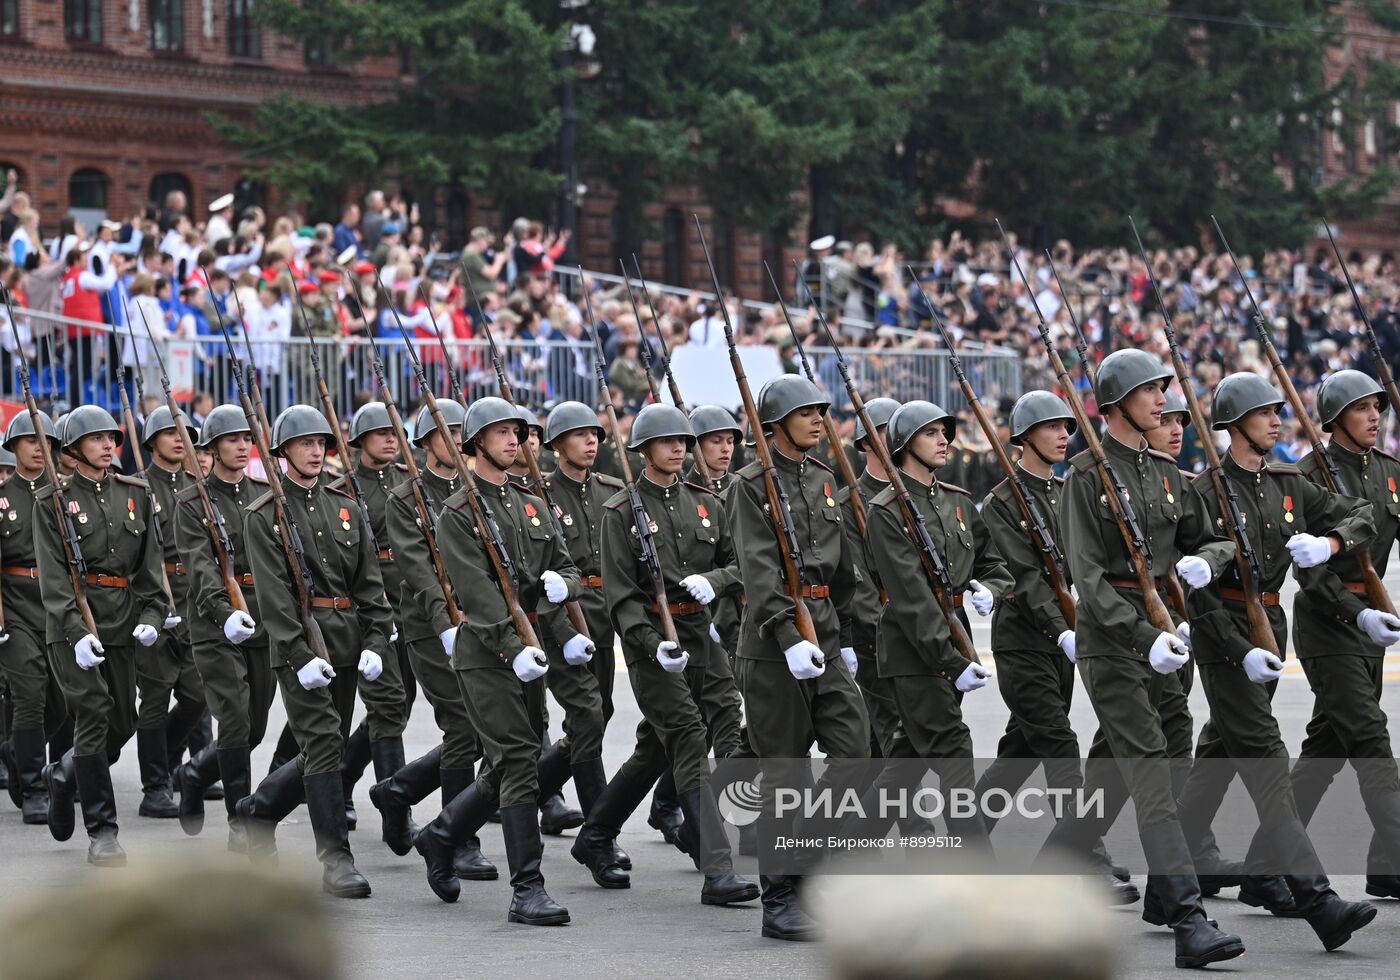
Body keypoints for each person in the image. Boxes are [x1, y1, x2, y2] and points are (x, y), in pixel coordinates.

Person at [1041, 349, 1245, 969]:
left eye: (1163, 389)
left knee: (1119, 772)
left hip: (1166, 635)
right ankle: (1188, 918)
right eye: (1151, 390)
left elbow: (1213, 534)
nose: (1163, 400)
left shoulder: (1163, 472)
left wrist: (1202, 562)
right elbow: (1087, 578)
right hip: (1115, 643)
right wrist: (1140, 637)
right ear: (1116, 403)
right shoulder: (1083, 476)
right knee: (1152, 774)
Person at [1169, 373, 1378, 950]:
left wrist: (1331, 544)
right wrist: (1241, 651)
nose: (1277, 421)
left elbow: (1360, 512)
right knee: (1265, 757)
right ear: (1236, 424)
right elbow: (1200, 591)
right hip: (1224, 635)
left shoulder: (1286, 482)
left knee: (1218, 750)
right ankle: (1319, 901)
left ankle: (1169, 883)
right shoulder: (1205, 490)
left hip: (1270, 625)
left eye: (1277, 412)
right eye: (1264, 413)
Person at [570, 404, 758, 907]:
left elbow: (739, 563)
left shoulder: (707, 503)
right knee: (689, 739)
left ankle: (594, 836)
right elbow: (620, 597)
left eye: (683, 441)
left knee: (671, 743)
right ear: (644, 449)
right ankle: (717, 870)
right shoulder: (620, 512)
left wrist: (715, 582)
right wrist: (653, 646)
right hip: (651, 640)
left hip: (701, 633)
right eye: (668, 442)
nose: (679, 448)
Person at [412, 397, 583, 926]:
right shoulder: (457, 512)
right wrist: (514, 649)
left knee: (516, 760)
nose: (515, 440)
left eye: (518, 432)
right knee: (517, 759)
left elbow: (569, 565)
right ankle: (526, 889)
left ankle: (441, 835)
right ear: (477, 442)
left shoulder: (530, 502)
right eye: (503, 432)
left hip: (530, 644)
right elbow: (477, 595)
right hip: (487, 655)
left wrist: (565, 586)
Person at [970, 392, 1137, 902]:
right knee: (1060, 745)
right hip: (1024, 642)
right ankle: (1085, 857)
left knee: (1020, 752)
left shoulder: (1066, 491)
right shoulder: (1001, 502)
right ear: (1024, 437)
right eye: (1051, 427)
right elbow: (1023, 578)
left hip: (1064, 639)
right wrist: (1061, 627)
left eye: (1067, 426)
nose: (1064, 434)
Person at [730, 375, 871, 941]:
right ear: (776, 425)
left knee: (856, 753)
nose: (819, 420)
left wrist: (846, 637)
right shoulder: (748, 485)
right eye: (807, 412)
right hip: (772, 648)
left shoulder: (822, 478)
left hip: (827, 635)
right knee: (784, 773)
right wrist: (789, 639)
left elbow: (841, 569)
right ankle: (780, 898)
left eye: (822, 411)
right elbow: (759, 572)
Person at [236, 406, 392, 898]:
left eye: (321, 442)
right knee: (324, 742)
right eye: (304, 443)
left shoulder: (345, 505)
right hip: (298, 646)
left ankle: (258, 811)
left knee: (326, 746)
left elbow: (369, 583)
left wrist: (375, 638)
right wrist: (299, 656)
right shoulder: (264, 515)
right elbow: (274, 596)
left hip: (346, 641)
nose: (315, 450)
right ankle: (336, 858)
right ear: (282, 452)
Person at [865, 401, 1011, 848]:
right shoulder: (886, 510)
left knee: (903, 768)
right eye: (931, 433)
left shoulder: (957, 503)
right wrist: (951, 661)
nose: (944, 439)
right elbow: (910, 600)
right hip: (914, 651)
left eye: (944, 431)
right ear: (906, 444)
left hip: (952, 639)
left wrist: (989, 588)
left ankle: (822, 863)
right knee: (952, 752)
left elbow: (994, 561)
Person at [1287, 370, 1400, 900]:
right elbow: (1309, 572)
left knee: (1327, 747)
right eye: (1362, 408)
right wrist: (1357, 614)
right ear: (1335, 420)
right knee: (1370, 739)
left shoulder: (1389, 473)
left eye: (1379, 406)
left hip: (1370, 621)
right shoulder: (1307, 474)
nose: (1375, 416)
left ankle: (1271, 859)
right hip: (1329, 621)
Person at [37, 406, 166, 867]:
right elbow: (53, 582)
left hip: (120, 622)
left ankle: (66, 772)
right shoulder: (51, 500)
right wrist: (74, 632)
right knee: (92, 716)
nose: (109, 445)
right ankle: (103, 830)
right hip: (72, 626)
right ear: (73, 449)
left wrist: (154, 613)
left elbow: (150, 571)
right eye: (97, 439)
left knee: (123, 723)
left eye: (112, 437)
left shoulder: (135, 494)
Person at [374, 399, 496, 881]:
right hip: (430, 626)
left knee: (484, 728)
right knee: (463, 726)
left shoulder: (476, 492)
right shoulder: (405, 498)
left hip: (480, 623)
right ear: (425, 442)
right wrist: (444, 619)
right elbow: (415, 566)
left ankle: (399, 790)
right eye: (445, 434)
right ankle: (458, 838)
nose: (455, 442)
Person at [171, 405, 273, 851]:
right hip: (216, 624)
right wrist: (222, 612)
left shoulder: (266, 495)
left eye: (245, 437)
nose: (241, 445)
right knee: (233, 721)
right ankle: (240, 820)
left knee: (255, 727)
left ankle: (194, 774)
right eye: (231, 439)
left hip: (263, 617)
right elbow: (199, 566)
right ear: (211, 448)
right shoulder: (191, 503)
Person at [131, 407, 206, 822]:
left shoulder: (198, 487)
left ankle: (171, 752)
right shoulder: (139, 488)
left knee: (198, 696)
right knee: (155, 700)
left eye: (186, 434)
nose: (181, 440)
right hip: (155, 602)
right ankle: (155, 787)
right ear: (151, 441)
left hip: (193, 599)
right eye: (170, 433)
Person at [0, 412, 66, 825]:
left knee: (61, 703)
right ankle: (34, 785)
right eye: (30, 442)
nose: (40, 450)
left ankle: (14, 748)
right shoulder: (4, 497)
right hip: (16, 605)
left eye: (46, 443)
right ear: (15, 448)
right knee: (29, 695)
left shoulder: (63, 494)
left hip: (57, 606)